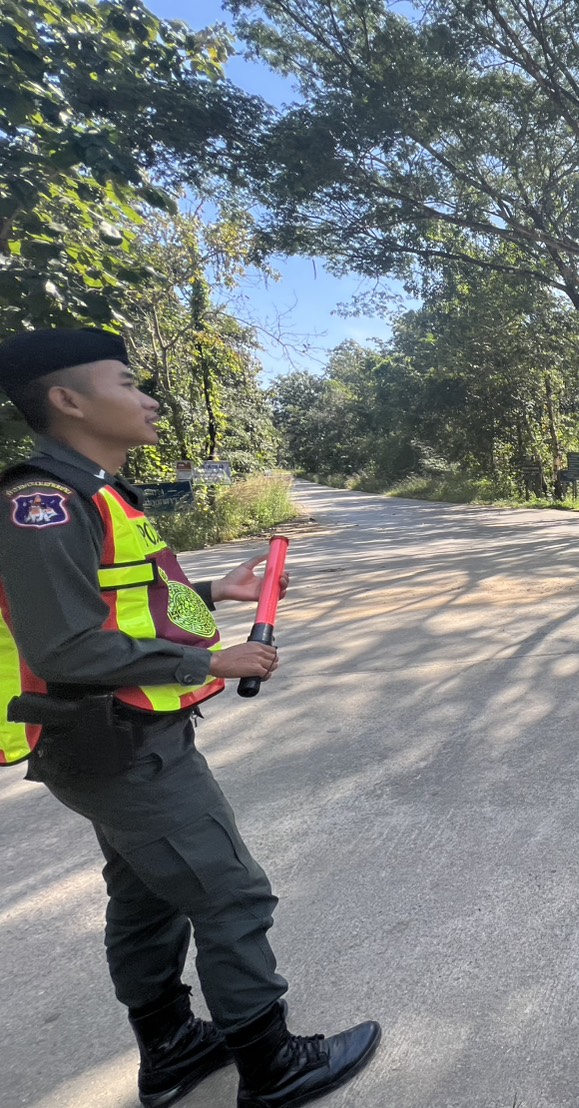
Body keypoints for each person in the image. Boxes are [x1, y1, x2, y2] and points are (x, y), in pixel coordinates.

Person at [0, 327, 380, 1108]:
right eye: (127, 383)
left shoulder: (94, 490)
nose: (147, 400)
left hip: (114, 738)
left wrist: (214, 592)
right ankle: (274, 1067)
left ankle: (170, 1049)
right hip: (117, 743)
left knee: (148, 895)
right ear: (68, 400)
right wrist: (209, 662)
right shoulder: (43, 502)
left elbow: (114, 600)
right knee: (231, 894)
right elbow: (65, 643)